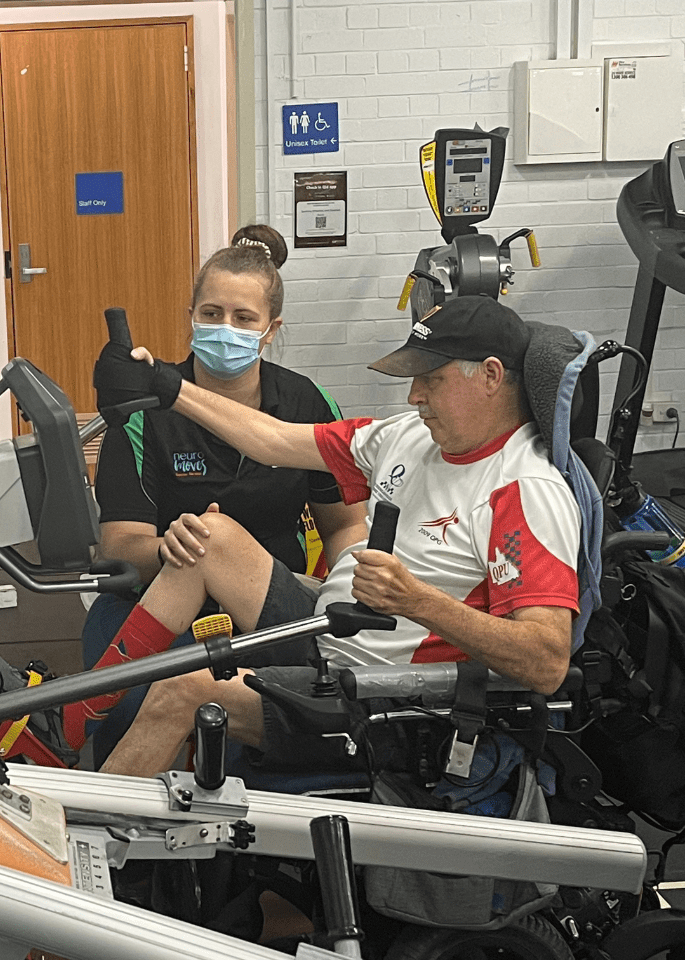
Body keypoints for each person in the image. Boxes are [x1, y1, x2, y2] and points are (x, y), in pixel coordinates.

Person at [88, 295, 579, 777]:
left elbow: (546, 661)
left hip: (376, 696)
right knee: (209, 537)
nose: (414, 396)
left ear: (491, 376)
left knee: (183, 690)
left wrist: (417, 601)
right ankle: (80, 717)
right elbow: (274, 439)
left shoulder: (523, 492)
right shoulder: (409, 435)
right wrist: (165, 386)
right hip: (329, 630)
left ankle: (85, 837)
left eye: (431, 379)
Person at [66, 225, 368, 758]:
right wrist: (169, 550)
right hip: (156, 599)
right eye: (210, 314)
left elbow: (344, 524)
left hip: (270, 605)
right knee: (139, 700)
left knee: (246, 718)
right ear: (191, 316)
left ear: (270, 330)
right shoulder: (142, 416)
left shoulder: (305, 404)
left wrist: (344, 601)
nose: (224, 328)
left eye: (243, 318)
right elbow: (117, 551)